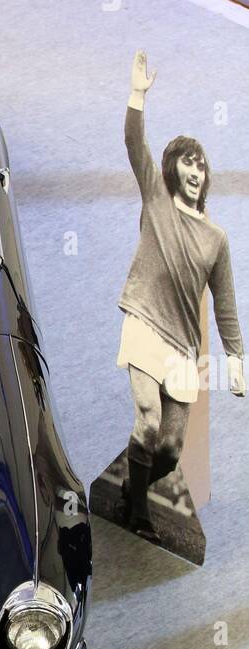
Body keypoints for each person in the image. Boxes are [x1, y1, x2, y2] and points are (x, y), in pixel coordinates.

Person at [116, 50, 245, 544]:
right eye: (188, 163)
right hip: (144, 320)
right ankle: (139, 514)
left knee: (169, 449)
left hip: (184, 346)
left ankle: (136, 481)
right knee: (148, 420)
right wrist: (137, 96)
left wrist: (235, 357)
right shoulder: (154, 195)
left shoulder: (216, 238)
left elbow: (227, 304)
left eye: (202, 165)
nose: (196, 171)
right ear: (173, 170)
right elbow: (133, 142)